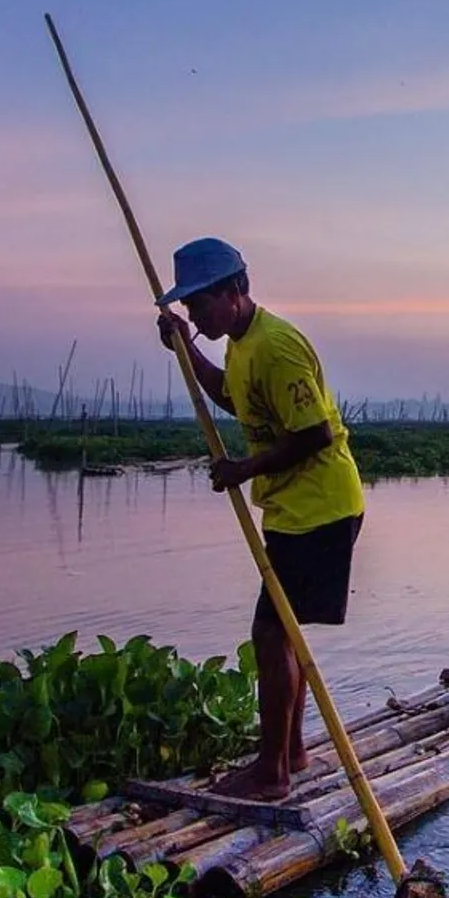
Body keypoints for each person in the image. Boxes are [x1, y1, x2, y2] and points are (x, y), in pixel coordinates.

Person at [155, 237, 364, 799]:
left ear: (235, 291)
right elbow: (233, 396)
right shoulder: (241, 346)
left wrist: (244, 468)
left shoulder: (277, 345)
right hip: (291, 510)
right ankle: (289, 753)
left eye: (200, 305)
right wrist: (185, 349)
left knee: (270, 635)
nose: (196, 315)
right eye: (189, 308)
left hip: (319, 509)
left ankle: (271, 771)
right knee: (283, 634)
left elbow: (315, 432)